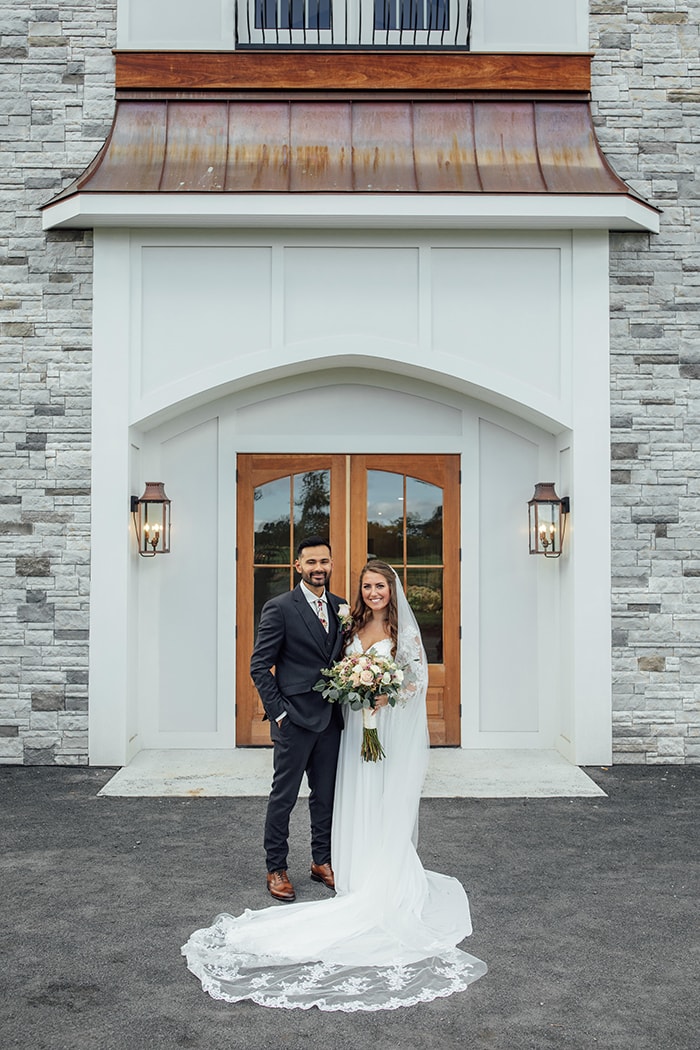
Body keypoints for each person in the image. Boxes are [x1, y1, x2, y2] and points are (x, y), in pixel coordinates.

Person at [182, 561, 487, 1011]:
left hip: (379, 729)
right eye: (367, 585)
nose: (373, 592)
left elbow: (415, 679)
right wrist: (297, 708)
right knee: (312, 795)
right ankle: (283, 866)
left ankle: (350, 866)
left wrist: (386, 694)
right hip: (340, 727)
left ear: (391, 588)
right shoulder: (350, 620)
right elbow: (284, 664)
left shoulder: (394, 629)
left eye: (380, 585)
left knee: (354, 798)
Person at [249, 536, 346, 902]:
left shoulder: (340, 607)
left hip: (331, 720)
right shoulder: (279, 607)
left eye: (324, 561)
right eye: (311, 562)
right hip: (293, 721)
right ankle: (276, 868)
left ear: (331, 564)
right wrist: (280, 713)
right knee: (284, 798)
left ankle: (322, 861)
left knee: (326, 797)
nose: (318, 568)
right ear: (298, 566)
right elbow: (259, 666)